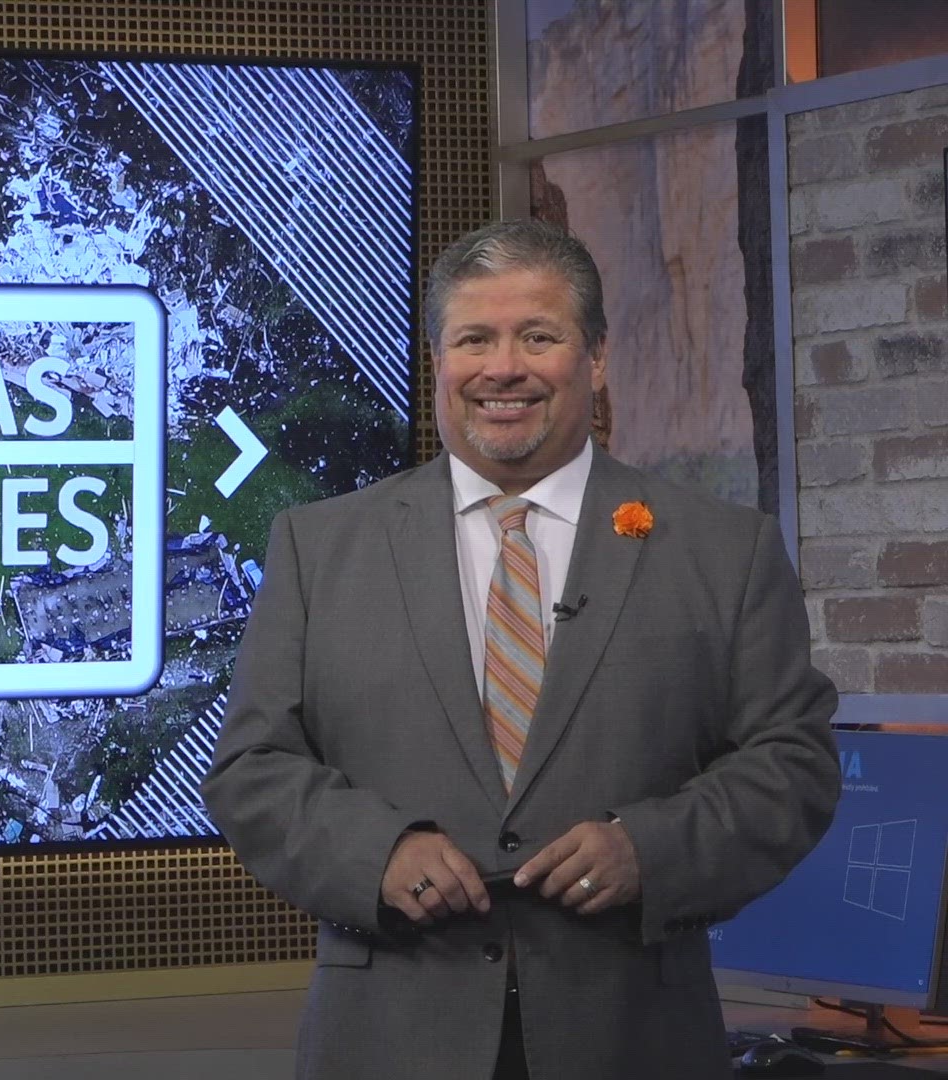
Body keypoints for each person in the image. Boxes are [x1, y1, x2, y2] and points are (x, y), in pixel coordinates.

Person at [202, 218, 840, 1080]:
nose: (504, 367)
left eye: (539, 336)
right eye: (475, 339)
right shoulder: (319, 548)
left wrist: (648, 849)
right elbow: (252, 767)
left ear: (597, 358)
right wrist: (377, 852)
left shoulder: (724, 550)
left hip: (632, 1037)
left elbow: (793, 765)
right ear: (438, 363)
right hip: (387, 1037)